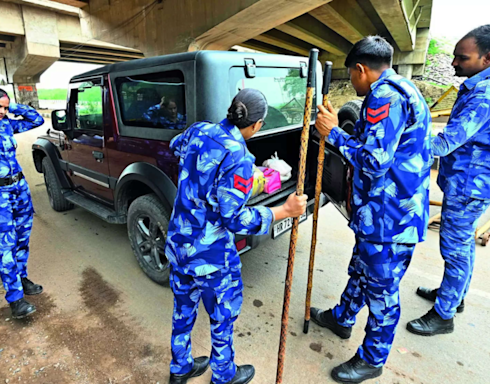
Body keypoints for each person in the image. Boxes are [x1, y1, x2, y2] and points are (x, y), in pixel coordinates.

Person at [166, 88, 307, 384]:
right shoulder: (239, 157)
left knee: (183, 310)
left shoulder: (200, 130)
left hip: (179, 244)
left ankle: (180, 367)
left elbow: (174, 146)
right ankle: (223, 375)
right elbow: (234, 218)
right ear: (256, 125)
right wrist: (283, 211)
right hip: (211, 257)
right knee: (222, 317)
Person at [312, 36, 432, 383]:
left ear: (361, 69)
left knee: (381, 291)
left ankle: (372, 359)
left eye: (351, 74)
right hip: (384, 214)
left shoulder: (385, 95)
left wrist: (334, 134)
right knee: (362, 272)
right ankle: (342, 318)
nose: (351, 81)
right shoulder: (402, 87)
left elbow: (374, 160)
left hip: (389, 219)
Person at [407, 25, 490, 337]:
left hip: (470, 185)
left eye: (462, 58)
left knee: (454, 248)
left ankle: (443, 315)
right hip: (470, 180)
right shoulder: (476, 85)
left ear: (487, 59)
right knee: (463, 244)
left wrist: (402, 145)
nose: (454, 63)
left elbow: (445, 143)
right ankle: (453, 297)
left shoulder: (483, 95)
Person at [0, 87, 44, 319]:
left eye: (5, 107)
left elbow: (36, 119)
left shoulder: (6, 123)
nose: (2, 111)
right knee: (6, 243)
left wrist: (10, 106)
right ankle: (15, 299)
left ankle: (21, 277)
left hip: (19, 188)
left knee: (23, 237)